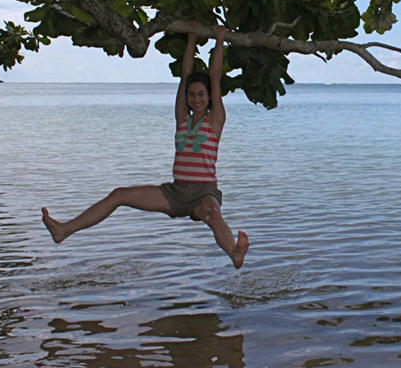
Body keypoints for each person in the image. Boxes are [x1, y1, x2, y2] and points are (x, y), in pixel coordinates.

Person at [42, 25, 249, 269]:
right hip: (175, 192)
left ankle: (234, 252)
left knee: (213, 214)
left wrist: (220, 39)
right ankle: (64, 230)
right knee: (119, 195)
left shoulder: (215, 121)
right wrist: (191, 39)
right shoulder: (183, 118)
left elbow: (215, 77)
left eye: (201, 94)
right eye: (192, 95)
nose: (196, 99)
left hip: (204, 192)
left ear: (210, 97)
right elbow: (184, 77)